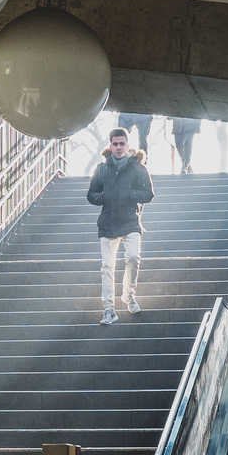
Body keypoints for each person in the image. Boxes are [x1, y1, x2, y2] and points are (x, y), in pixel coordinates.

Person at [86, 127, 154, 324]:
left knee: (133, 256)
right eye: (115, 144)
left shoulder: (138, 168)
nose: (118, 147)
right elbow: (91, 194)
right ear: (110, 145)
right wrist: (104, 197)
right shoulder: (101, 169)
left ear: (127, 146)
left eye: (121, 144)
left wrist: (130, 195)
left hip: (130, 221)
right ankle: (109, 309)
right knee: (107, 266)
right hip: (108, 223)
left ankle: (128, 295)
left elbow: (149, 194)